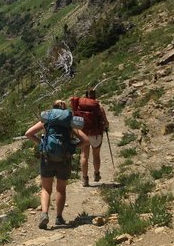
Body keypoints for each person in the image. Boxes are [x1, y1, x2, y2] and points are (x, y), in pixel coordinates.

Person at [25, 100, 89, 229]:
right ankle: (59, 217)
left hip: (47, 158)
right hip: (64, 159)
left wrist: (41, 144)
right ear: (65, 110)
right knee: (61, 189)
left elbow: (28, 134)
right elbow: (86, 141)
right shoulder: (69, 122)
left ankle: (44, 214)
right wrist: (72, 148)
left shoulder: (47, 120)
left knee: (46, 188)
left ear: (53, 109)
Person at [71, 89, 110, 187]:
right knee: (96, 155)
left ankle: (85, 179)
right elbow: (106, 123)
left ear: (86, 96)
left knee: (84, 156)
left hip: (83, 134)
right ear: (94, 96)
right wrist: (105, 126)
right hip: (96, 134)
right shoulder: (99, 107)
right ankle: (96, 174)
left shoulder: (80, 107)